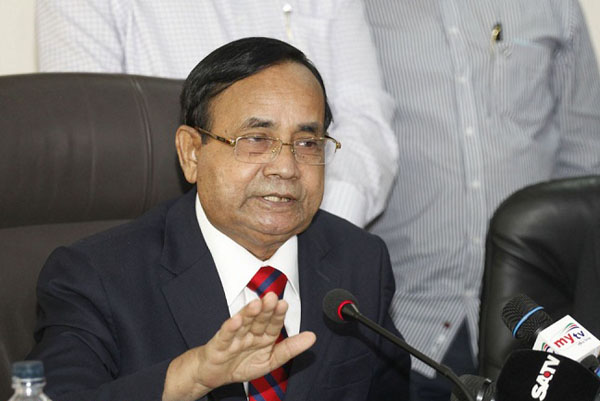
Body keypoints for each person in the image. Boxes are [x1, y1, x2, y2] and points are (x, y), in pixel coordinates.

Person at [27, 37, 410, 401]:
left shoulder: (360, 261)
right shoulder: (95, 276)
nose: (286, 167)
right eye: (256, 139)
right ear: (191, 153)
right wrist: (190, 378)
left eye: (307, 143)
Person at [363, 1, 600, 400]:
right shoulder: (355, 9)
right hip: (401, 323)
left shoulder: (554, 6)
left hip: (536, 324)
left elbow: (585, 158)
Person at [35, 0, 397, 228]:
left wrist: (309, 229)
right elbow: (97, 157)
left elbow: (366, 125)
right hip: (166, 257)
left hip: (317, 237)